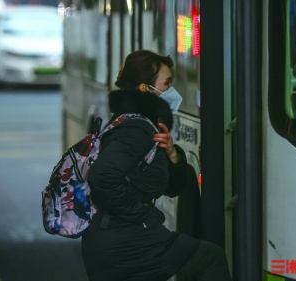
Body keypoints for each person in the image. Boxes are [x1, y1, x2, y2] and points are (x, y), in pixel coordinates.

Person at [81, 50, 232, 281]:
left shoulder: (136, 122)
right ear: (145, 88)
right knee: (210, 258)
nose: (172, 91)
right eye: (167, 83)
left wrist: (173, 155)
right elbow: (101, 177)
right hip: (124, 243)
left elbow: (172, 188)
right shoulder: (136, 129)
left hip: (118, 239)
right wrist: (138, 213)